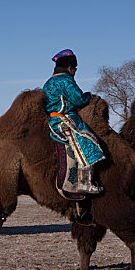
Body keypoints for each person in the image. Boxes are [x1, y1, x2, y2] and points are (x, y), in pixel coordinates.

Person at [43, 49, 105, 194]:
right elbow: (78, 99)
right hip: (63, 118)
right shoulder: (65, 80)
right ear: (70, 68)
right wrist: (89, 96)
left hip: (53, 118)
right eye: (75, 69)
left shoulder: (49, 82)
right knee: (86, 139)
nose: (75, 72)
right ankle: (85, 183)